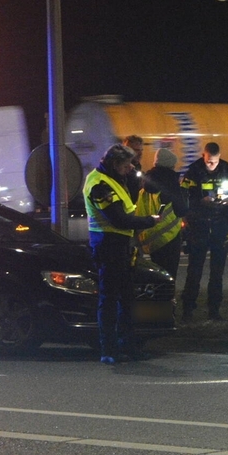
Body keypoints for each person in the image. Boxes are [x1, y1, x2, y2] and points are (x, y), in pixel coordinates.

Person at [83, 143, 158, 364]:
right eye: (125, 166)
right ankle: (109, 349)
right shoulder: (99, 185)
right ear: (115, 164)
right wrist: (148, 221)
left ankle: (127, 346)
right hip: (108, 246)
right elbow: (118, 218)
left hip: (121, 245)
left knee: (126, 299)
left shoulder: (114, 179)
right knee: (109, 299)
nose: (129, 169)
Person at [180, 141, 228, 321]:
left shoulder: (226, 169)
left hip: (220, 225)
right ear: (203, 156)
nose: (211, 165)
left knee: (217, 272)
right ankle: (188, 309)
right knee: (195, 270)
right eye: (208, 162)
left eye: (214, 162)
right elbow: (183, 198)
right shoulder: (193, 171)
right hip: (199, 226)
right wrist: (201, 201)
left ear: (219, 158)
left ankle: (214, 310)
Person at [136, 148, 189, 280]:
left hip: (152, 238)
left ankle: (157, 300)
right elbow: (181, 210)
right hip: (170, 237)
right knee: (169, 276)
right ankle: (168, 300)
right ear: (170, 165)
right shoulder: (171, 184)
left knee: (157, 276)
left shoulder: (145, 186)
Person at [121, 135, 145, 203]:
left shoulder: (137, 166)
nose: (140, 153)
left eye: (141, 150)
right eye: (136, 150)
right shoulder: (120, 169)